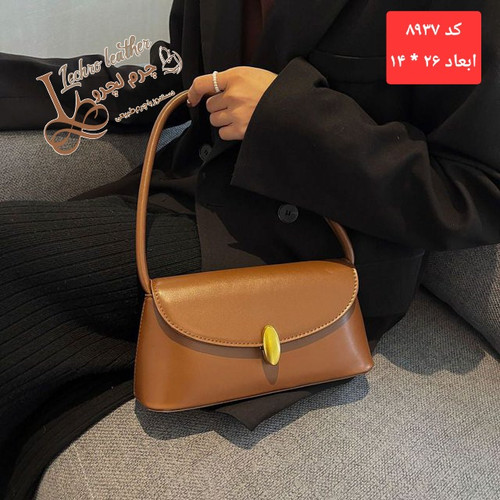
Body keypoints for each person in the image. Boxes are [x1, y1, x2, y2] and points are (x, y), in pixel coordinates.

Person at [1, 0, 499, 498]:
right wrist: (23, 87)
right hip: (189, 197)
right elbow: (185, 76)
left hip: (311, 254)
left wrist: (288, 118)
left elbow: (467, 192)